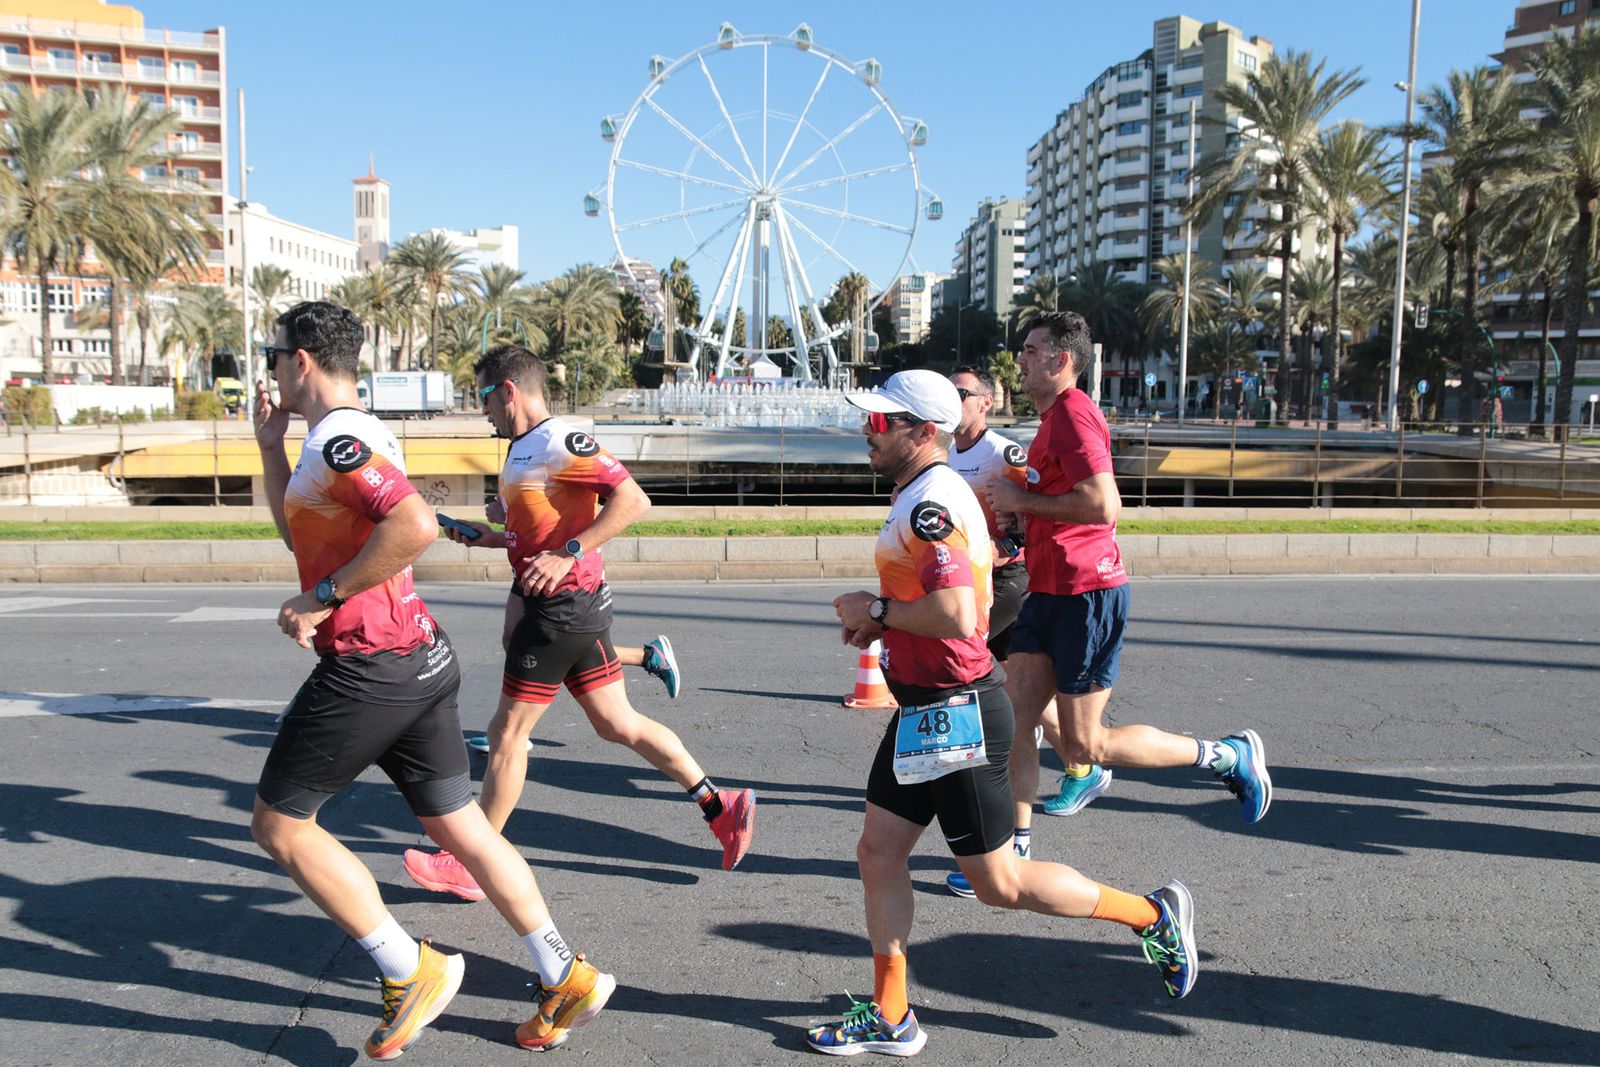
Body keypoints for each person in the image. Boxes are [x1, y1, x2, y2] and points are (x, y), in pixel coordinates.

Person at [249, 302, 611, 1059]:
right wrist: (269, 447)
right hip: (418, 657)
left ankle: (407, 968)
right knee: (461, 826)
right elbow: (302, 536)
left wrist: (323, 598)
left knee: (280, 826)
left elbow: (412, 525)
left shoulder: (342, 439)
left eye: (273, 354)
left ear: (301, 358)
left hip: (370, 665)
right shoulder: (349, 435)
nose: (271, 368)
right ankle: (564, 971)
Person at [807, 370, 1197, 1058]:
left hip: (957, 712)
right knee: (878, 851)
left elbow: (959, 614)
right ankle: (892, 1014)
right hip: (925, 706)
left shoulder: (931, 504)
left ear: (923, 432)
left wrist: (876, 609)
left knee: (999, 883)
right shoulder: (920, 491)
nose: (867, 432)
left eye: (881, 422)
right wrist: (884, 620)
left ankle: (1152, 914)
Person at [404, 344, 755, 902]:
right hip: (575, 606)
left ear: (509, 391)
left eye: (484, 397)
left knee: (506, 736)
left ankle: (472, 864)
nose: (482, 410)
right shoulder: (523, 450)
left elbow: (632, 500)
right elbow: (536, 532)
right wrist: (490, 535)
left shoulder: (558, 441)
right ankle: (720, 805)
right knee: (617, 722)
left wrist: (568, 552)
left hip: (560, 609)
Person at [987, 311, 1272, 837]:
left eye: (1030, 350)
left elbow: (1103, 505)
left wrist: (1021, 501)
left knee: (1085, 744)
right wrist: (1021, 517)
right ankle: (1012, 849)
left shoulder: (1075, 416)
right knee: (1011, 723)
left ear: (1060, 360)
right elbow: (1063, 505)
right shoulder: (1052, 420)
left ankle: (1225, 755)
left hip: (1086, 593)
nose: (1020, 359)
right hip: (1048, 591)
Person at [942, 366, 1101, 900]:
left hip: (1009, 582)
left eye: (961, 393)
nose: (953, 400)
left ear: (985, 402)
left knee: (967, 677)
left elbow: (1035, 518)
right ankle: (1079, 769)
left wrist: (1004, 545)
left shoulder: (1003, 453)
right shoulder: (948, 453)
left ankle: (988, 822)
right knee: (1017, 694)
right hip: (976, 579)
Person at [459, 493, 681, 755]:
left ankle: (514, 731)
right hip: (531, 564)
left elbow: (606, 508)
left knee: (552, 651)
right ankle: (513, 730)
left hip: (566, 575)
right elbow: (527, 529)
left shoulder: (563, 467)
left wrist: (508, 517)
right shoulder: (515, 468)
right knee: (516, 640)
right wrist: (493, 534)